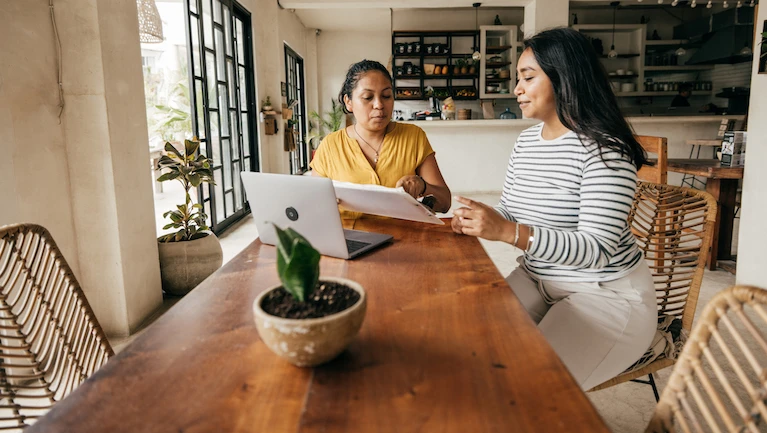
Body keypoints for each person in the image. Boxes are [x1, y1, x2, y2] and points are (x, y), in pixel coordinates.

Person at [451, 27, 656, 390]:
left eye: (528, 77)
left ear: (565, 79)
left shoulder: (605, 150)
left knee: (529, 387)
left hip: (604, 294)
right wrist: (481, 218)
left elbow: (596, 249)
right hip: (538, 279)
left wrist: (506, 232)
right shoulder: (527, 141)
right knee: (467, 344)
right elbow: (512, 210)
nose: (516, 89)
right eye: (518, 78)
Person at [310, 60, 451, 217]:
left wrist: (423, 187)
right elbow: (313, 206)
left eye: (386, 96)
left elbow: (445, 202)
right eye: (368, 97)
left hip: (406, 238)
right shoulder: (331, 146)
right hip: (349, 238)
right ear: (348, 102)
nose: (379, 104)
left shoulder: (413, 137)